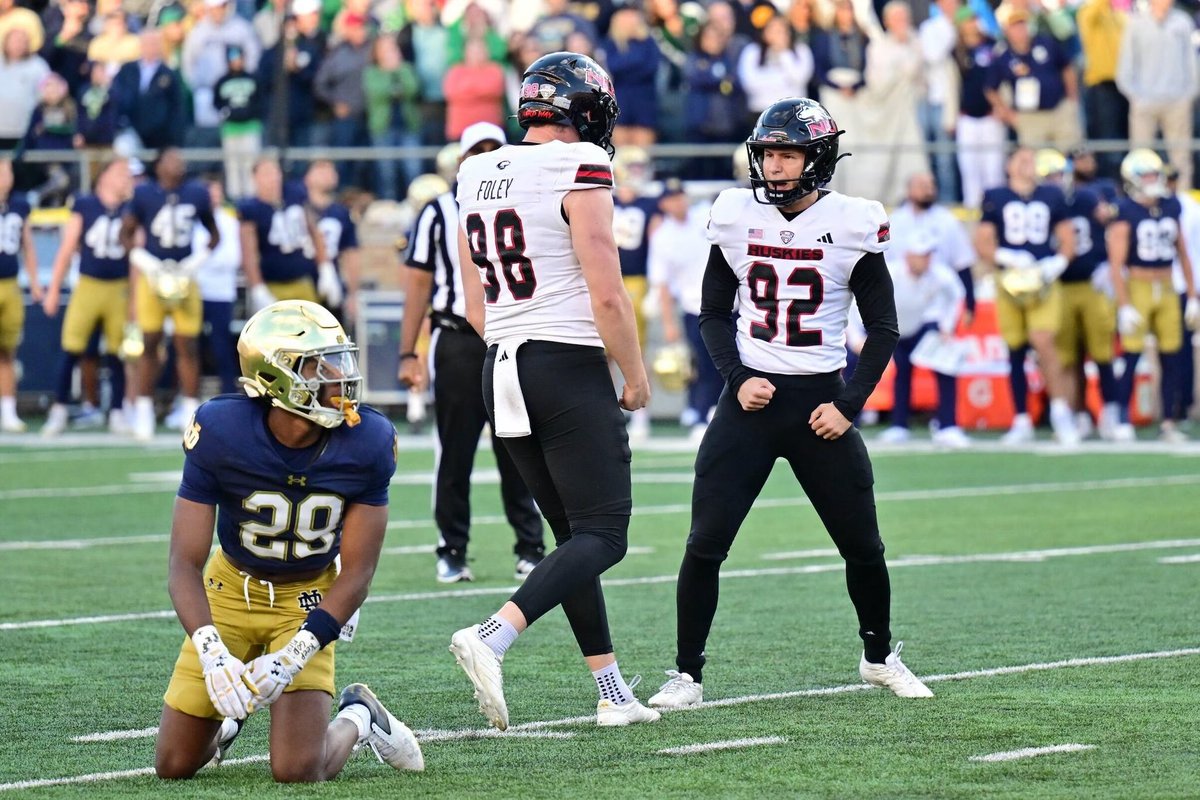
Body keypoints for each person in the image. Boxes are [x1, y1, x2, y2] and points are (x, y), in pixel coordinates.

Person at [646, 97, 931, 712]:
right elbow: (713, 313)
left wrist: (849, 404)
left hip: (820, 406)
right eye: (768, 154)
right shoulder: (734, 215)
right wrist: (737, 376)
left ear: (818, 158)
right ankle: (686, 674)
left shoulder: (852, 221)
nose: (774, 167)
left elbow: (883, 328)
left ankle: (879, 657)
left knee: (863, 545)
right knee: (704, 543)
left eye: (788, 155)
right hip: (749, 404)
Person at [447, 51, 661, 730]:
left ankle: (613, 693)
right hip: (561, 364)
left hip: (500, 361)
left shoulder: (476, 170)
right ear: (586, 111)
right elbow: (608, 292)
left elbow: (476, 302)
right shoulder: (579, 164)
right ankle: (493, 634)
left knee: (572, 536)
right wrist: (635, 374)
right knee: (605, 533)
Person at [153, 299, 423, 781]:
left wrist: (295, 654)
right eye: (321, 366)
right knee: (174, 764)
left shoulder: (368, 440)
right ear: (274, 377)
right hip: (229, 590)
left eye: (340, 360)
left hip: (307, 595)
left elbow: (358, 572)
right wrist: (212, 652)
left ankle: (359, 716)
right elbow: (183, 564)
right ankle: (227, 724)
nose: (340, 377)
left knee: (298, 769)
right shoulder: (221, 430)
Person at [398, 121, 545, 584]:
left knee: (519, 445)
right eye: (475, 150)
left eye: (492, 148)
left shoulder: (528, 199)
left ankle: (531, 546)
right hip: (458, 338)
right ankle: (452, 548)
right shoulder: (439, 210)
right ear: (461, 160)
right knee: (455, 449)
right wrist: (407, 351)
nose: (484, 157)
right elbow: (417, 282)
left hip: (511, 335)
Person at [975, 147, 1078, 445]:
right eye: (1021, 159)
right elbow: (983, 241)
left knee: (1044, 341)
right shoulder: (995, 195)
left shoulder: (1052, 194)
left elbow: (1068, 237)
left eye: (1031, 159)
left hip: (1043, 279)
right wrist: (1005, 256)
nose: (1027, 164)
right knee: (1015, 348)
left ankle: (1060, 412)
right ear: (1008, 165)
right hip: (1009, 280)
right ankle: (1021, 418)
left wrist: (1057, 263)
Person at [120, 147, 221, 441]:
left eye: (181, 159)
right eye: (172, 159)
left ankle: (189, 411)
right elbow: (125, 233)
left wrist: (195, 262)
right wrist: (144, 261)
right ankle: (143, 410)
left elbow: (214, 234)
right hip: (153, 277)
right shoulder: (144, 194)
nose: (179, 164)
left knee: (188, 344)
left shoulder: (196, 192)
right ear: (159, 165)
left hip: (184, 276)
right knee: (149, 342)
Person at [1108, 150, 1199, 442]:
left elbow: (1183, 252)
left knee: (1171, 355)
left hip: (1168, 285)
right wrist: (1124, 304)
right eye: (1147, 175)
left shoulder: (1171, 205)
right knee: (1132, 354)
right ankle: (1122, 418)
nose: (1153, 180)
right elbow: (1116, 264)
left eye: (1155, 174)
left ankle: (1168, 422)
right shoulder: (1125, 210)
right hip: (1139, 286)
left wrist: (1192, 295)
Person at [41, 158, 133, 436]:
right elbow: (67, 247)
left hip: (120, 286)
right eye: (120, 172)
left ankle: (117, 411)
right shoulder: (85, 204)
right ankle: (59, 409)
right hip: (89, 284)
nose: (126, 177)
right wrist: (54, 288)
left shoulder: (131, 207)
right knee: (71, 347)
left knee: (118, 352)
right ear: (103, 176)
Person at [1036, 149, 1121, 440]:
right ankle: (1079, 414)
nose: (1056, 181)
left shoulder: (1086, 197)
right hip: (1059, 287)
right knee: (1068, 356)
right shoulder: (1042, 205)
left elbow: (1114, 223)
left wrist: (1107, 264)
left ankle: (1111, 412)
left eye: (1059, 175)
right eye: (1049, 176)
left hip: (1091, 282)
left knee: (1102, 351)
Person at [877, 232, 968, 447]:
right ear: (908, 256)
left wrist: (947, 326)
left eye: (928, 255)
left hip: (926, 324)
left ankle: (947, 425)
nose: (926, 260)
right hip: (896, 327)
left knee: (945, 366)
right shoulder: (891, 273)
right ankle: (899, 425)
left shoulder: (940, 274)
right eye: (921, 255)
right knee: (902, 372)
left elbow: (956, 296)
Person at [647, 176, 721, 438]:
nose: (678, 202)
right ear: (663, 204)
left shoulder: (705, 216)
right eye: (672, 199)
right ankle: (700, 414)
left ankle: (718, 412)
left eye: (680, 196)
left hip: (729, 303)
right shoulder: (663, 237)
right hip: (694, 307)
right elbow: (662, 283)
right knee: (701, 363)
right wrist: (669, 323)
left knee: (731, 362)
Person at [239, 157, 335, 313]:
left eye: (275, 172)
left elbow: (314, 230)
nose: (273, 178)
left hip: (302, 278)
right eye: (266, 173)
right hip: (273, 284)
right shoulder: (252, 209)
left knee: (310, 324)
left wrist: (326, 267)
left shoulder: (294, 194)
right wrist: (257, 287)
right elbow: (248, 252)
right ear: (255, 178)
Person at [611, 145, 660, 439]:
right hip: (606, 280)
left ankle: (641, 412)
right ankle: (606, 408)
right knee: (600, 350)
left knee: (636, 349)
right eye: (634, 167)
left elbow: (658, 247)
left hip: (637, 281)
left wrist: (654, 284)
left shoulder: (651, 204)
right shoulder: (604, 199)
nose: (638, 173)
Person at [0, 157, 38, 432]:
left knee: (8, 351)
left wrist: (35, 282)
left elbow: (28, 245)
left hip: (11, 283)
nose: (5, 176)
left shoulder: (19, 204)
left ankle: (8, 410)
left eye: (7, 171)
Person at [305, 160, 360, 322]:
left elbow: (351, 254)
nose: (327, 175)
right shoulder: (297, 208)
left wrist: (353, 294)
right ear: (308, 176)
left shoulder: (341, 213)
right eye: (321, 170)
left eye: (331, 171)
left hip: (331, 284)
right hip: (301, 281)